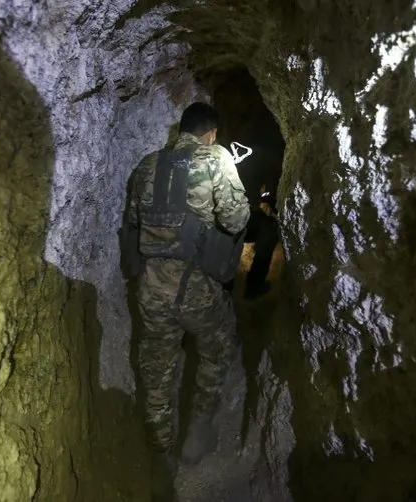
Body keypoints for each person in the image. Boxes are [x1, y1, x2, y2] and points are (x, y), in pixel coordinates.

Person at [122, 102, 250, 501]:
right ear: (211, 132)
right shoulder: (215, 157)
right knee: (217, 349)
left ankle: (161, 449)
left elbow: (133, 221)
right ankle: (197, 436)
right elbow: (234, 219)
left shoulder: (147, 164)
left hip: (152, 286)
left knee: (156, 364)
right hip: (197, 287)